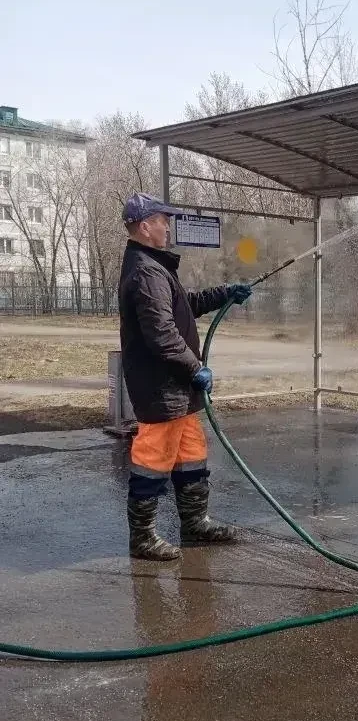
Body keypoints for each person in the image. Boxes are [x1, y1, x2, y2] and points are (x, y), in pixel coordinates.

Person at [118, 192, 253, 561]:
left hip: (176, 389)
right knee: (153, 459)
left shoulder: (155, 267)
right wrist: (195, 368)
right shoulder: (146, 271)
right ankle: (142, 538)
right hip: (161, 388)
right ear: (144, 227)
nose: (168, 227)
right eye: (163, 221)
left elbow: (185, 306)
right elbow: (162, 334)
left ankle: (194, 524)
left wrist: (225, 293)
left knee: (190, 455)